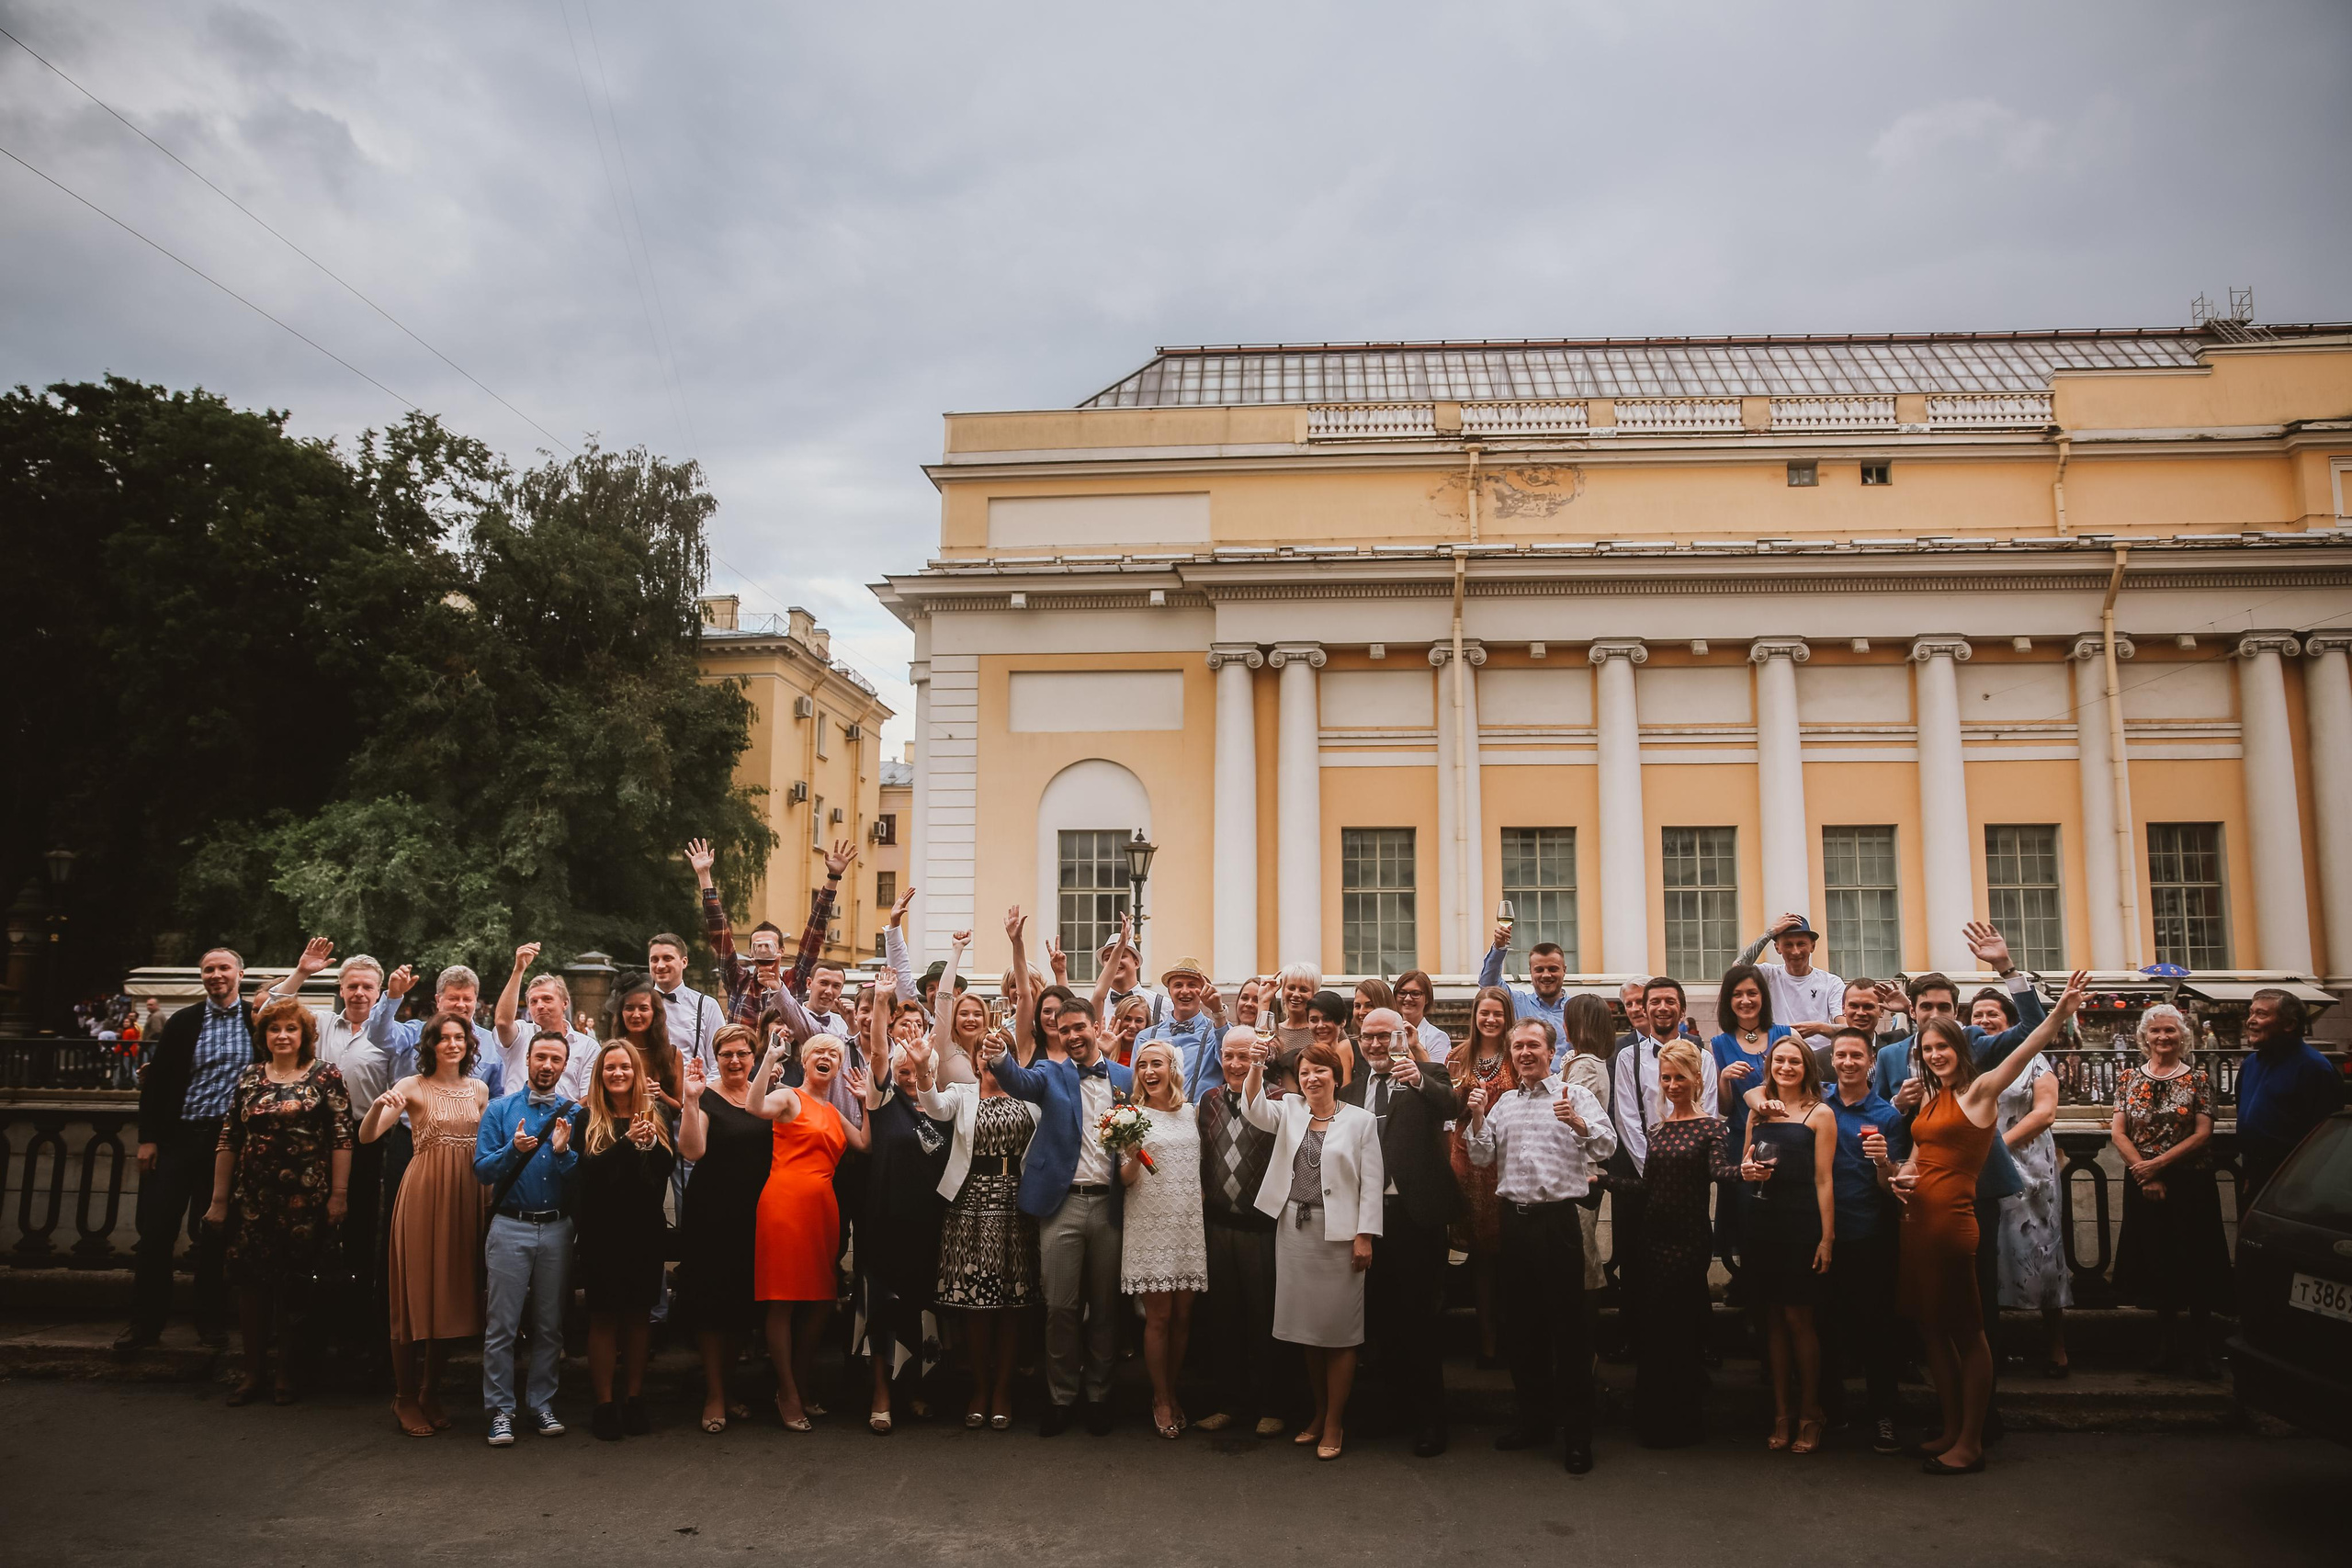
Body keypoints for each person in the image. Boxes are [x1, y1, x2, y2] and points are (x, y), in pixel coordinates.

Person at [1894, 970, 2087, 1475]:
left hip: (1953, 1227)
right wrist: (1891, 1173)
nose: (1935, 1055)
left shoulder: (1979, 1091)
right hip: (1918, 1222)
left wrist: (2057, 1010)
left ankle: (1972, 1443)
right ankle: (1951, 1429)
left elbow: (2029, 1045)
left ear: (1960, 1048)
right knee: (1931, 1330)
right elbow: (1915, 1162)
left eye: (1943, 1047)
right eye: (1928, 1049)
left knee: (1968, 1333)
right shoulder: (1931, 1100)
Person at [1467, 1017, 1617, 1474]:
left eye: (1534, 1045)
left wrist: (1578, 1123)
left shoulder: (1576, 1096)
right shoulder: (1504, 1103)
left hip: (1558, 1225)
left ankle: (1577, 1436)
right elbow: (1479, 1156)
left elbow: (1607, 1146)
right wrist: (1476, 1116)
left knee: (1568, 1333)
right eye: (1518, 1048)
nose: (1525, 1053)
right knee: (1523, 1330)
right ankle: (1534, 1423)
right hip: (1515, 1223)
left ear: (1552, 1051)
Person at [985, 996, 1136, 1435]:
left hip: (1111, 1205)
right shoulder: (1050, 1073)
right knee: (1061, 1309)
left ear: (1095, 1026)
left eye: (1078, 1028)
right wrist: (998, 1055)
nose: (1071, 1036)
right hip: (1062, 1204)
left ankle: (1100, 1397)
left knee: (1106, 1309)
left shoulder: (1126, 1078)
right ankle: (1061, 1398)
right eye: (1063, 1029)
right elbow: (1017, 1080)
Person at [202, 998, 353, 1405]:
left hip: (306, 1199)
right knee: (250, 1286)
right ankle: (252, 1374)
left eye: (291, 1029)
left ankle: (288, 1373)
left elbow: (342, 1138)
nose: (282, 1035)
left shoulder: (325, 1076)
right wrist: (219, 1201)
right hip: (253, 1198)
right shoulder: (250, 1077)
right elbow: (229, 1138)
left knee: (295, 1286)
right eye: (275, 1029)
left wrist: (338, 1197)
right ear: (264, 1036)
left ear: (304, 1035)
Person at [1241, 1035, 1383, 1461]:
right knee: (1307, 1331)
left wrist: (1364, 1235)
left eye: (1320, 1070)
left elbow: (1372, 1182)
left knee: (1339, 1334)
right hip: (1295, 1231)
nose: (1311, 1078)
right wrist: (1254, 1065)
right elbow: (1252, 1108)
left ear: (1335, 1077)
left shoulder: (1361, 1120)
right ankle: (1318, 1414)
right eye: (1304, 1072)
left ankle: (1336, 1421)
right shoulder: (1289, 1110)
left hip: (1340, 1236)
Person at [358, 1010, 492, 1438]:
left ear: (469, 1044)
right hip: (423, 1194)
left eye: (459, 1038)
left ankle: (431, 1391)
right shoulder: (411, 1085)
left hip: (467, 1195)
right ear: (430, 1045)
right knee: (415, 1295)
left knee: (449, 1296)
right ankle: (403, 1396)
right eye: (444, 1038)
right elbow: (368, 1137)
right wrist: (379, 1107)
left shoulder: (480, 1089)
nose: (452, 1044)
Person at [119, 947, 254, 1354]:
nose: (216, 975)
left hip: (229, 1145)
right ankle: (145, 1324)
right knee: (156, 1232)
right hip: (179, 1139)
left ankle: (210, 1322)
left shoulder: (257, 1020)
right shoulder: (184, 1021)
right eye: (209, 969)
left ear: (239, 974)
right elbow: (157, 1083)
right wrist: (148, 1138)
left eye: (224, 968)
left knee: (215, 1236)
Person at [915, 1006, 1041, 1431]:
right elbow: (932, 1107)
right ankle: (980, 1388)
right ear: (975, 1060)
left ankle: (1003, 1390)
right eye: (985, 1053)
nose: (990, 1058)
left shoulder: (1029, 1099)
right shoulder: (964, 1094)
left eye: (999, 1050)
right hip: (968, 1205)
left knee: (1011, 1304)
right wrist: (922, 1071)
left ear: (1010, 1057)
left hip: (1017, 1205)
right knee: (975, 1304)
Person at [1343, 1007, 1459, 1457]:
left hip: (1416, 1215)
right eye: (1367, 1037)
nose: (1375, 1045)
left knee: (1421, 1321)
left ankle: (1431, 1420)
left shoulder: (1429, 1073)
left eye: (1384, 1037)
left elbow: (1452, 1107)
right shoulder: (1351, 1091)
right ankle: (1390, 1409)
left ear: (1401, 1036)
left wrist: (1418, 1078)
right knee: (1380, 1319)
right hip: (1368, 1218)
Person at [1614, 1040, 1736, 1448]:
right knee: (1654, 1327)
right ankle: (1652, 1419)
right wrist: (1601, 1180)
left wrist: (1747, 1170)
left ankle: (1683, 1420)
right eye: (1665, 1077)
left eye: (1679, 1077)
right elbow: (1647, 1186)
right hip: (1653, 1236)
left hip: (1689, 1239)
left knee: (1680, 1326)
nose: (1671, 1084)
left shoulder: (1712, 1127)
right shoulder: (1657, 1128)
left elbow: (1720, 1171)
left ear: (1695, 1079)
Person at [750, 1028, 868, 1429]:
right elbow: (754, 1108)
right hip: (784, 1205)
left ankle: (799, 1382)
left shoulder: (834, 1112)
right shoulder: (788, 1097)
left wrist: (866, 1102)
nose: (827, 1058)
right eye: (819, 1051)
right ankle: (788, 1392)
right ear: (805, 1060)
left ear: (838, 1068)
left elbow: (865, 1144)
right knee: (782, 1299)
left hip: (823, 1207)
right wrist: (768, 1060)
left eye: (835, 1056)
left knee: (821, 1300)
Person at [2109, 1003, 2233, 1378]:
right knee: (2158, 1262)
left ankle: (2202, 1347)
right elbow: (2118, 1131)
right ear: (2144, 1038)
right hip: (2144, 1181)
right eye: (2156, 1031)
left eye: (2170, 1031)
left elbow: (2203, 1133)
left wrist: (2159, 1166)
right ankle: (2167, 1344)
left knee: (2195, 1261)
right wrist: (2145, 1173)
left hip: (2188, 1183)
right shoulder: (2128, 1077)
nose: (2163, 1037)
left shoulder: (2197, 1080)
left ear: (2183, 1036)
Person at [471, 1031, 580, 1446]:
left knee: (550, 1325)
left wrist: (564, 1154)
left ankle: (541, 1403)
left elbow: (579, 1179)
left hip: (556, 1227)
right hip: (510, 1225)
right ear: (528, 1060)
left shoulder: (575, 1114)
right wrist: (513, 1151)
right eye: (541, 1057)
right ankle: (500, 1409)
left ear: (564, 1065)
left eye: (555, 1058)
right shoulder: (500, 1109)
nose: (547, 1065)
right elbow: (482, 1171)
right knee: (502, 1325)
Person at [853, 990, 954, 1436]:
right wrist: (880, 1002)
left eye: (918, 1070)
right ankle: (880, 1394)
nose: (910, 1077)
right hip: (883, 1223)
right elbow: (877, 1048)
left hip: (928, 1225)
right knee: (882, 1310)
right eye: (903, 1071)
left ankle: (915, 1387)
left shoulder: (943, 1109)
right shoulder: (881, 1103)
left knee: (921, 1309)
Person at [571, 1041, 677, 1440]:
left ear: (636, 1073)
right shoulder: (587, 1117)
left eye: (625, 1068)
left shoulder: (657, 1113)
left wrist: (650, 1145)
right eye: (609, 1067)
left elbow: (663, 1173)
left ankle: (633, 1399)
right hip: (601, 1232)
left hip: (643, 1230)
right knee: (602, 1317)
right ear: (600, 1074)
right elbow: (591, 1176)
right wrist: (627, 1143)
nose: (617, 1073)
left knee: (637, 1317)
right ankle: (603, 1403)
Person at [1736, 1037, 1838, 1453]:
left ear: (1807, 1067)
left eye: (1795, 1061)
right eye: (1780, 1060)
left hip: (1800, 1225)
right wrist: (1748, 1171)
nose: (1787, 1067)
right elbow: (1744, 1163)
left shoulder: (1820, 1113)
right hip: (1762, 1223)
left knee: (1800, 1320)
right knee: (1772, 1319)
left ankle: (1812, 1412)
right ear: (1770, 1065)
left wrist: (1827, 1237)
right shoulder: (1758, 1111)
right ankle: (1781, 1411)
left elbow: (1824, 1179)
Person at [677, 1025, 775, 1433]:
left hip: (756, 1215)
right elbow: (692, 1150)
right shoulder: (706, 1096)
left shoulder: (763, 1096)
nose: (734, 1061)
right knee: (712, 1306)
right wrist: (690, 1100)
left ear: (754, 1058)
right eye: (726, 1054)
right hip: (712, 1215)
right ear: (716, 1057)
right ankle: (715, 1393)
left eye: (742, 1054)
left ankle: (730, 1388)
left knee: (740, 1307)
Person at [1818, 1028, 1906, 1454]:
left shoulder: (1887, 1115)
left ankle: (1884, 1415)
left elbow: (1895, 1188)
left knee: (1877, 1329)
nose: (1848, 1062)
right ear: (1832, 1060)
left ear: (1870, 1060)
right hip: (1821, 1234)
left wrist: (1884, 1164)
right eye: (1841, 1055)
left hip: (1869, 1234)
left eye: (1856, 1055)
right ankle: (1831, 1410)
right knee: (1826, 1327)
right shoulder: (1819, 1106)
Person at [1193, 1025, 1283, 1438]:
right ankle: (1229, 1403)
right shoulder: (1207, 1101)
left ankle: (1271, 1404)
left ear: (1260, 1059)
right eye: (1228, 1056)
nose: (1234, 1064)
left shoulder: (1282, 1102)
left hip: (1262, 1229)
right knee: (1223, 1318)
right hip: (1217, 1226)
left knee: (1264, 1317)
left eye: (1243, 1056)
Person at [1981, 987, 2071, 1379]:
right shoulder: (1976, 1060)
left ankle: (2056, 1345)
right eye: (1978, 1015)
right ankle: (1992, 1347)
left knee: (2042, 1253)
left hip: (2030, 1171)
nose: (1984, 1021)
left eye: (1992, 1014)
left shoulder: (2034, 1059)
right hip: (1983, 1167)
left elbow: (2045, 1112)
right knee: (1990, 1254)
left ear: (2010, 1021)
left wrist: (1996, 1147)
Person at [1120, 1040, 1207, 1439]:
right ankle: (1160, 1398)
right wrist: (1133, 1157)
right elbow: (1123, 1178)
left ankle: (1173, 1389)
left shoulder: (1192, 1113)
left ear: (1173, 1067)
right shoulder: (1130, 1116)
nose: (1148, 1071)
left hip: (1187, 1222)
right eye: (1142, 1065)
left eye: (1156, 1063)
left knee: (1184, 1317)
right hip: (1149, 1221)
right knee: (1159, 1317)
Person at [1447, 986, 1516, 1366]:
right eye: (1484, 1013)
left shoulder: (1517, 1054)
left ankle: (1513, 1335)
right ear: (1474, 1017)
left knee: (1508, 1252)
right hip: (1468, 1161)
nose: (1490, 1020)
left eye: (1498, 1013)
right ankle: (1487, 1341)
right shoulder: (1458, 1057)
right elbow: (1446, 1105)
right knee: (1482, 1259)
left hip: (1506, 1161)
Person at [1711, 964, 1792, 1285]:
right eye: (1737, 994)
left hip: (1786, 1137)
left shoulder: (1785, 1034)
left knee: (1782, 1213)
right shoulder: (1718, 1044)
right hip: (1741, 1144)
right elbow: (1723, 1108)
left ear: (1763, 997)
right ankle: (1747, 1281)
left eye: (1752, 993)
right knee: (1746, 1216)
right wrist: (1725, 1079)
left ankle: (1780, 1280)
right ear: (1728, 1000)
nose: (1745, 1000)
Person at [2235, 987, 2345, 1201]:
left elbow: (2326, 1138)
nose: (2251, 1020)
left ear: (2290, 1024)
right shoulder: (2249, 1065)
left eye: (2262, 1014)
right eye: (2251, 1012)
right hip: (2253, 1173)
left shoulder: (2315, 1068)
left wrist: (2299, 1182)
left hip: (2294, 1181)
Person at [1557, 995, 1616, 1295]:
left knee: (1581, 1251)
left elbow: (1567, 1114)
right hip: (1577, 1166)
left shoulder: (1586, 1067)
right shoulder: (1583, 1061)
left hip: (1580, 1168)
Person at [491, 944, 597, 1100]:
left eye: (547, 999)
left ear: (565, 1003)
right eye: (533, 1001)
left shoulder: (587, 1047)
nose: (540, 1005)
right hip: (515, 1121)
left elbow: (589, 1098)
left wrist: (560, 1120)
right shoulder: (520, 1034)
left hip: (565, 1122)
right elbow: (502, 1023)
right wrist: (518, 971)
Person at [1735, 912, 1847, 1039]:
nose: (1795, 951)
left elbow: (1846, 1028)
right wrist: (1770, 932)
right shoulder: (1769, 974)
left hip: (1819, 1054)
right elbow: (1738, 968)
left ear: (1813, 946)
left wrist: (1818, 1028)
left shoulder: (1832, 982)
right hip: (1778, 1053)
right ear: (1778, 948)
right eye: (1788, 945)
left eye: (1801, 944)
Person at [1133, 953, 1225, 1100]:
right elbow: (1135, 1084)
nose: (1185, 991)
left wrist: (1219, 1012)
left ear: (1202, 990)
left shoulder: (1218, 1032)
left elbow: (1232, 1063)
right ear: (1169, 991)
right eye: (1178, 985)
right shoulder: (1146, 1037)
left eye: (1192, 985)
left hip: (1201, 1119)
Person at [1476, 931, 1570, 1057]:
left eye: (1553, 969)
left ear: (1564, 970)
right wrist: (1499, 949)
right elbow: (1489, 985)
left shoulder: (1577, 1011)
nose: (1546, 975)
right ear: (1530, 972)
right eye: (1539, 970)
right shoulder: (1517, 1003)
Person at [1391, 970, 1452, 1062]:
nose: (1407, 998)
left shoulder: (1437, 1037)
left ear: (1427, 998)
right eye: (1402, 993)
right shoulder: (1389, 1032)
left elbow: (1437, 1075)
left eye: (1415, 994)